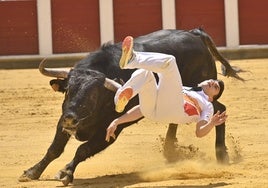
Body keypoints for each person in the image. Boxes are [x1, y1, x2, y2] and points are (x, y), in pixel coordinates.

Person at [105, 36, 227, 142]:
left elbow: (199, 132)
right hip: (152, 112)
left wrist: (211, 124)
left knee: (170, 62)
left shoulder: (207, 105)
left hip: (176, 110)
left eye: (216, 87)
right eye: (213, 80)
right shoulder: (185, 89)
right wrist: (117, 121)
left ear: (212, 98)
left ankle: (133, 59)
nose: (212, 82)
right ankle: (120, 97)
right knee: (145, 74)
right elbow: (141, 109)